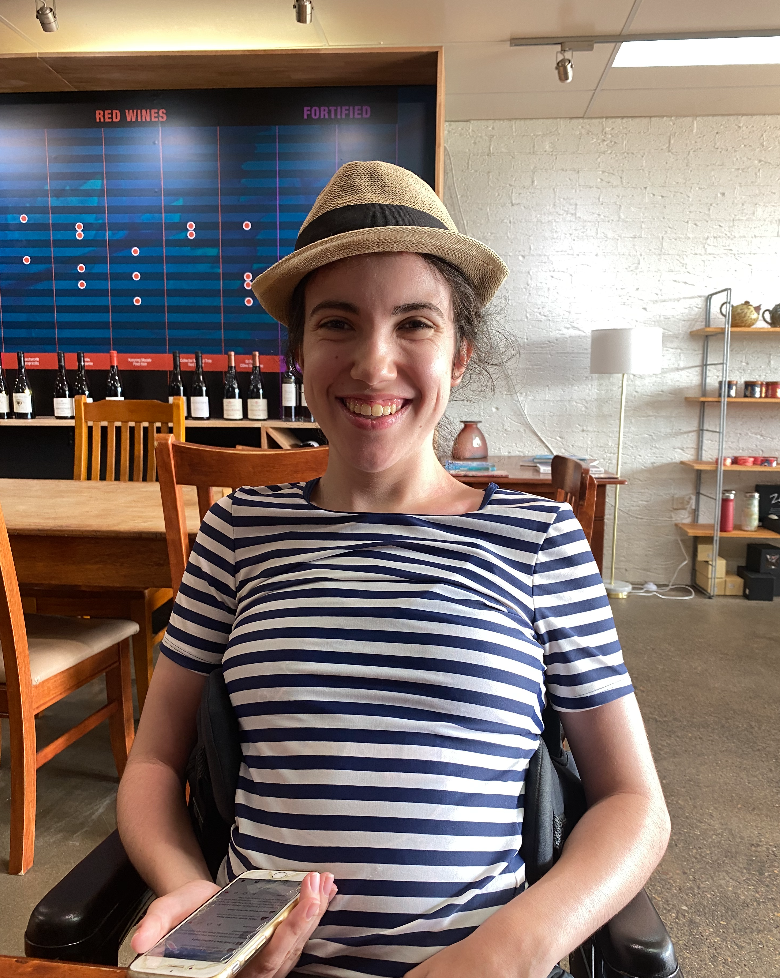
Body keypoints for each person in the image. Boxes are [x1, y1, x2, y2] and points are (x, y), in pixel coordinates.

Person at [118, 161, 670, 978]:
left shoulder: (540, 538)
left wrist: (507, 953)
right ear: (298, 352)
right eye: (336, 324)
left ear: (459, 357)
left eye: (415, 324)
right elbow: (156, 764)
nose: (374, 365)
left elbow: (634, 804)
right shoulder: (238, 531)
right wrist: (194, 897)